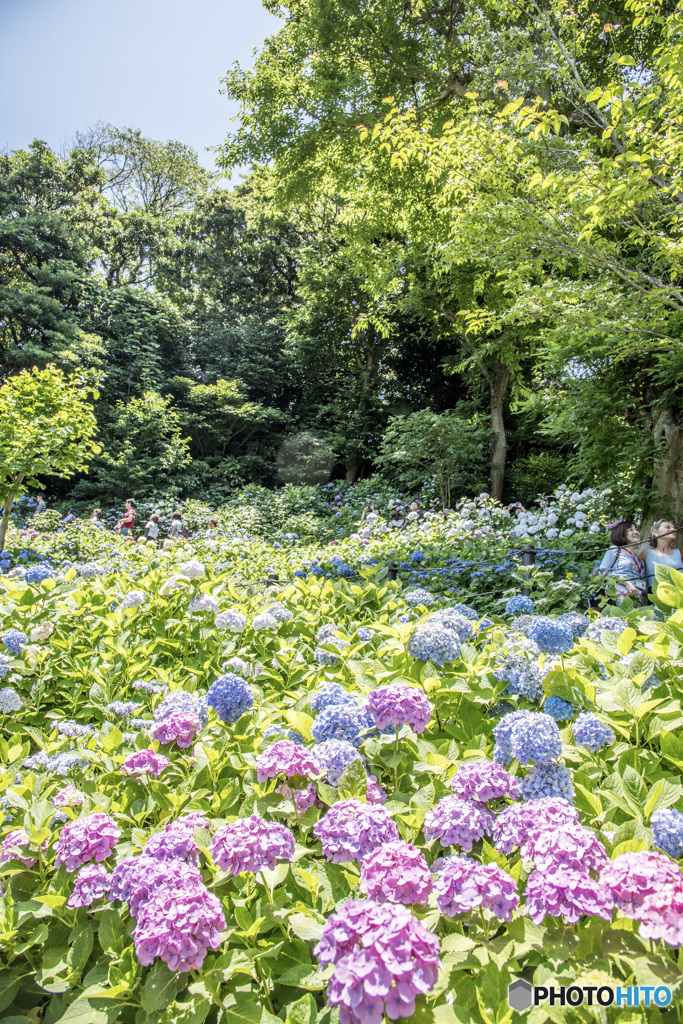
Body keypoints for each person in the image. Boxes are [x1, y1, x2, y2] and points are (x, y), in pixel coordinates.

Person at [598, 520, 648, 603]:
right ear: (621, 534)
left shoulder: (639, 560)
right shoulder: (615, 550)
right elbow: (603, 571)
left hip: (635, 599)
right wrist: (626, 583)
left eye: (636, 529)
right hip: (618, 595)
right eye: (630, 530)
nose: (636, 532)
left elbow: (644, 587)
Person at [646, 519, 682, 589]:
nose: (673, 530)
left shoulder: (681, 553)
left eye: (674, 528)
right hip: (654, 597)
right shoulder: (645, 554)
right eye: (667, 527)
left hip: (678, 596)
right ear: (655, 532)